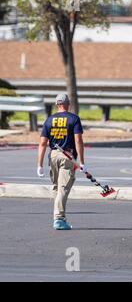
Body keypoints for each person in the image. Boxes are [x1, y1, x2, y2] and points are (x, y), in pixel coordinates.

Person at [37, 93, 86, 230]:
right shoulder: (74, 119)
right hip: (67, 156)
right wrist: (81, 161)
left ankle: (59, 216)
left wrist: (39, 165)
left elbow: (42, 143)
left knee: (56, 187)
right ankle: (59, 218)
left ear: (57, 104)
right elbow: (78, 141)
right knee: (63, 187)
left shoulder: (49, 120)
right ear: (68, 104)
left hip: (53, 155)